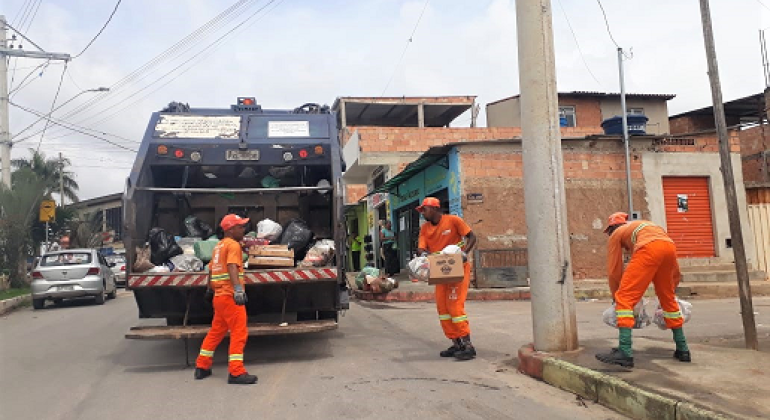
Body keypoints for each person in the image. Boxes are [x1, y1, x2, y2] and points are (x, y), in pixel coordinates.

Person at [596, 212, 690, 368]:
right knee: (668, 299)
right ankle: (683, 349)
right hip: (669, 247)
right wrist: (671, 287)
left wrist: (616, 296)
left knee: (625, 298)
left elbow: (614, 270)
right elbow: (674, 270)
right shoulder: (645, 226)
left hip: (648, 249)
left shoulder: (617, 234)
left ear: (612, 228)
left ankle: (624, 352)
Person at [195, 214, 258, 385]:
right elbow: (231, 266)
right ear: (230, 229)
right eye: (240, 227)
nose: (243, 229)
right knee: (239, 332)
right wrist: (238, 290)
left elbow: (211, 270)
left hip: (219, 296)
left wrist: (209, 290)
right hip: (230, 296)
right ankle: (236, 372)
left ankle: (202, 366)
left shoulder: (218, 246)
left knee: (216, 331)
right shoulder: (233, 245)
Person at [416, 197, 478, 361]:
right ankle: (456, 343)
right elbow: (421, 247)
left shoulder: (453, 220)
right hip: (439, 270)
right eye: (421, 210)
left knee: (455, 306)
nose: (423, 213)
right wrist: (423, 254)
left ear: (435, 208)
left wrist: (465, 253)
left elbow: (472, 237)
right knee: (443, 308)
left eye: (425, 209)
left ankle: (468, 345)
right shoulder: (425, 228)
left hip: (458, 267)